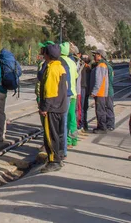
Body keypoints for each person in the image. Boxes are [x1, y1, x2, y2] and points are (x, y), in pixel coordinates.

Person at [38, 43, 68, 173]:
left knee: (50, 135)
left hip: (52, 108)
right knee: (58, 134)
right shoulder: (60, 67)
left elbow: (49, 91)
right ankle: (58, 157)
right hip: (61, 106)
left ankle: (53, 160)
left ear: (48, 55)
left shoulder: (51, 70)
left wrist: (44, 107)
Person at [60, 42, 79, 150]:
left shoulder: (61, 62)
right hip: (73, 94)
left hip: (65, 94)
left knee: (64, 119)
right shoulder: (72, 62)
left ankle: (66, 142)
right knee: (72, 118)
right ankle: (74, 139)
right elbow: (76, 75)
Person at [91, 49, 110, 134]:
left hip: (100, 92)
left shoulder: (101, 65)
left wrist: (94, 91)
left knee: (100, 110)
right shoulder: (102, 64)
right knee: (100, 110)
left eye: (95, 54)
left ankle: (102, 127)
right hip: (101, 92)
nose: (93, 56)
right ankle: (101, 126)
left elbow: (98, 80)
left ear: (100, 56)